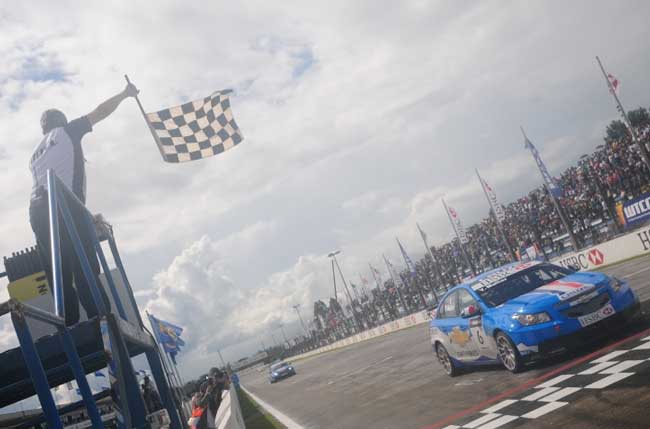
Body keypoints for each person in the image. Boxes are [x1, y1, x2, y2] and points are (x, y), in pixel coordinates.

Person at [29, 82, 139, 325]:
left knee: (58, 270)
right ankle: (101, 318)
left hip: (36, 212)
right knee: (84, 265)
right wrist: (124, 94)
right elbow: (100, 111)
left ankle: (67, 324)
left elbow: (50, 182)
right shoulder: (68, 131)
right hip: (63, 205)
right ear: (62, 121)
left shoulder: (35, 153)